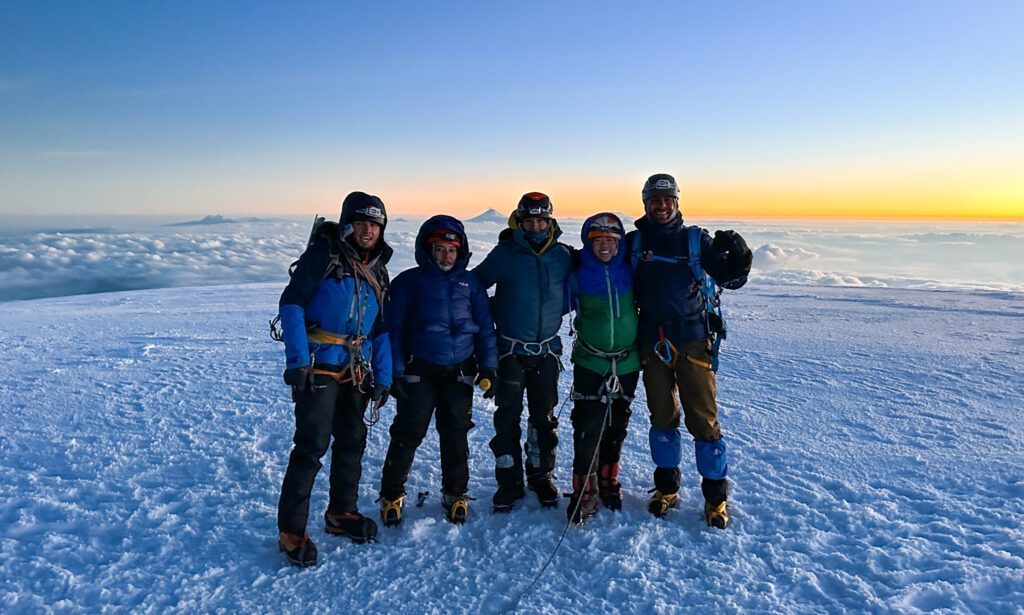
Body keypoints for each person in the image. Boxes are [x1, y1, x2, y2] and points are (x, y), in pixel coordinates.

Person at [627, 173, 752, 529]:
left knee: (703, 420)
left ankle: (715, 496)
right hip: (653, 340)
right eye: (655, 200)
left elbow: (731, 280)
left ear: (676, 202)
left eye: (667, 200)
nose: (661, 206)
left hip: (693, 340)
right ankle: (667, 488)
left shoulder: (696, 241)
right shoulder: (634, 243)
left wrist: (740, 260)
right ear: (646, 204)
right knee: (662, 417)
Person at [275, 191, 393, 566]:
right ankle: (292, 531)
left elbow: (381, 328)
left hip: (356, 369)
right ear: (346, 225)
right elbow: (291, 303)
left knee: (352, 442)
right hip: (319, 365)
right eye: (361, 222)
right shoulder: (323, 256)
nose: (368, 230)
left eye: (374, 224)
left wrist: (384, 376)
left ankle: (342, 513)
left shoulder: (378, 269)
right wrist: (297, 361)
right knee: (311, 447)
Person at [377, 215, 498, 525]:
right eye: (440, 249)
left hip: (460, 369)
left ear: (461, 251)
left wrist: (488, 367)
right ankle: (391, 493)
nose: (446, 256)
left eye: (452, 250)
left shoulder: (470, 283)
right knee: (408, 431)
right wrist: (395, 371)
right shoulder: (409, 282)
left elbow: (485, 328)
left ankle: (455, 493)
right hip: (419, 369)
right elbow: (393, 329)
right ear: (427, 250)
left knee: (455, 432)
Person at [472, 192, 575, 512]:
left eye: (541, 221)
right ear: (519, 222)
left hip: (547, 351)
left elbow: (591, 276)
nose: (535, 227)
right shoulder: (505, 254)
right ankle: (509, 481)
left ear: (550, 222)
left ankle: (540, 475)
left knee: (544, 418)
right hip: (510, 351)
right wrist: (491, 312)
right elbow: (475, 286)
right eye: (529, 221)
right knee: (507, 418)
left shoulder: (563, 255)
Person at [564, 213, 640, 524]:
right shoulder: (577, 275)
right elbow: (551, 304)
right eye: (598, 241)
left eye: (611, 240)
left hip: (627, 361)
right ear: (588, 243)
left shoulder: (632, 270)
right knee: (588, 427)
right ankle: (584, 492)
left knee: (616, 425)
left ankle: (609, 481)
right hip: (590, 361)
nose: (605, 246)